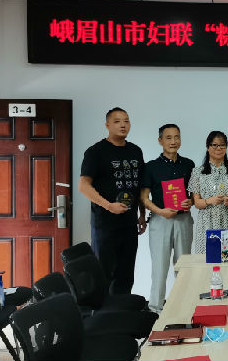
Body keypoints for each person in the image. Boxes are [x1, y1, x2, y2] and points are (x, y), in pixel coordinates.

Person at [78, 107, 145, 295]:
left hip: (129, 224)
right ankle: (102, 312)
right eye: (117, 121)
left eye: (126, 121)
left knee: (126, 275)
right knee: (104, 274)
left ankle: (120, 311)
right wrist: (108, 206)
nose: (123, 125)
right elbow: (83, 186)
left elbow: (139, 185)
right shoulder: (96, 152)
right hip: (105, 225)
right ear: (107, 125)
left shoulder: (135, 151)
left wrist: (142, 214)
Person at [140, 123, 195, 312]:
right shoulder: (151, 167)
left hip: (183, 220)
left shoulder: (188, 164)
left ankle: (184, 307)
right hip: (160, 220)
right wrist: (160, 211)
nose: (173, 141)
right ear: (160, 141)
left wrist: (190, 202)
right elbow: (143, 198)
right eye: (169, 137)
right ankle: (155, 309)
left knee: (183, 266)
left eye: (177, 137)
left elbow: (193, 196)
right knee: (160, 268)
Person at [189, 131, 228, 254]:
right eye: (214, 145)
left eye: (222, 145)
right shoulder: (198, 172)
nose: (218, 148)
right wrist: (209, 201)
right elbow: (197, 203)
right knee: (206, 259)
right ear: (208, 147)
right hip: (206, 223)